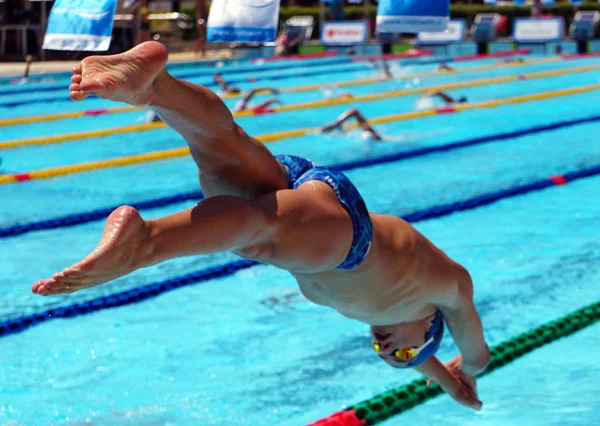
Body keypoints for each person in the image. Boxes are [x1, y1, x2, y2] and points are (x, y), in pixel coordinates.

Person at [34, 42, 490, 410]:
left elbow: (422, 354)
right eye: (404, 353)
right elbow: (472, 351)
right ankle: (147, 242)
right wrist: (467, 373)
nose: (389, 349)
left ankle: (153, 87)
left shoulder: (392, 317)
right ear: (433, 323)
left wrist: (441, 383)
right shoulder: (444, 290)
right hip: (351, 238)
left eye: (388, 356)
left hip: (317, 203)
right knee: (259, 234)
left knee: (219, 154)